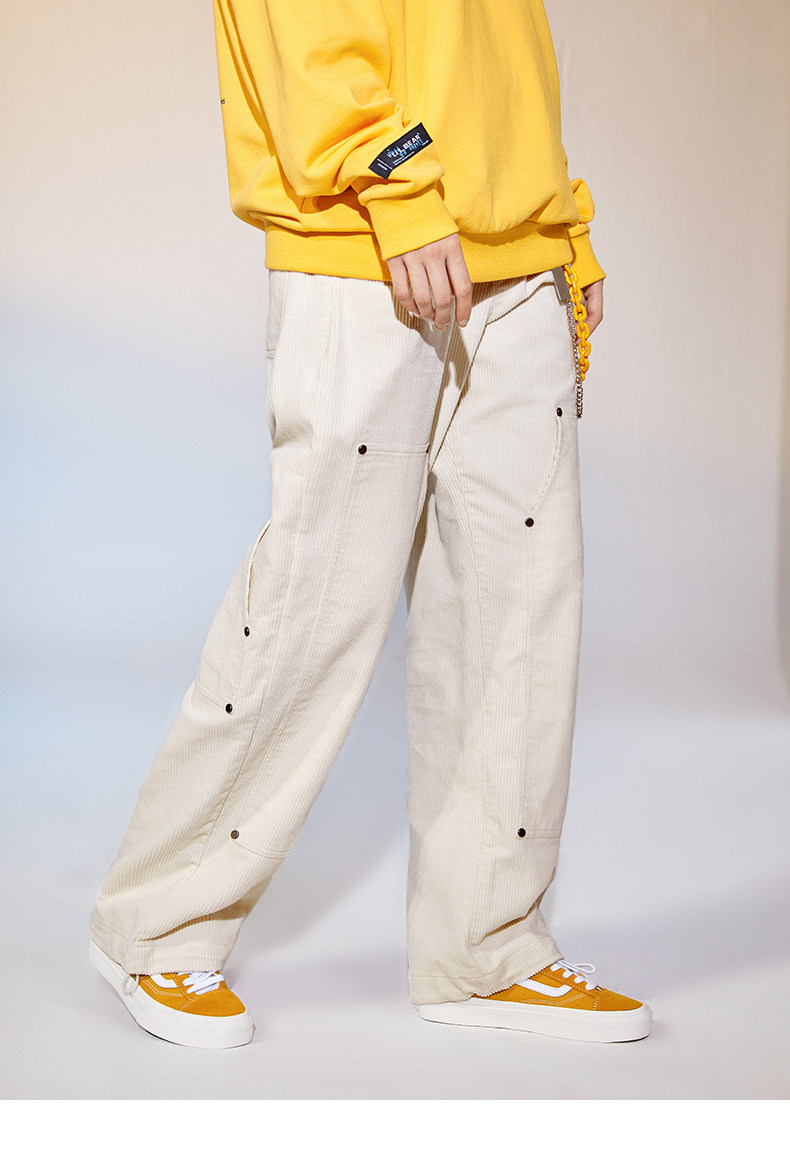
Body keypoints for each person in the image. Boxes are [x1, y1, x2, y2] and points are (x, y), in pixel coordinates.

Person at [88, 0, 652, 1049]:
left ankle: (487, 947)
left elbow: (497, 50)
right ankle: (156, 925)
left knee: (519, 609)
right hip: (370, 241)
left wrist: (565, 231)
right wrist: (396, 183)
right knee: (317, 599)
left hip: (519, 254)